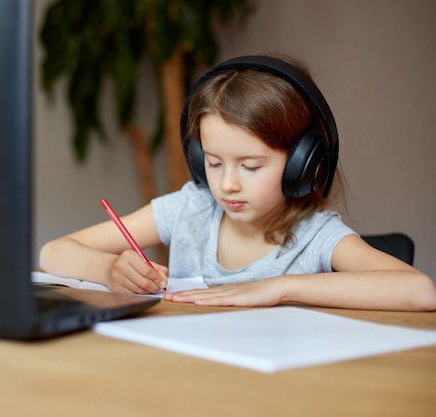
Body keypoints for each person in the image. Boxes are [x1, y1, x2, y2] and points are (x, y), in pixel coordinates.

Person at [39, 55, 436, 312]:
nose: (227, 184)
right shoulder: (189, 209)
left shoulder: (318, 237)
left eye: (250, 166)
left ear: (303, 165)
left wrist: (279, 288)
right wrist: (109, 270)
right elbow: (53, 252)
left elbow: (420, 291)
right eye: (213, 162)